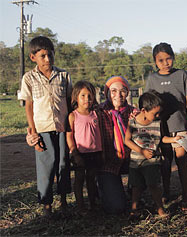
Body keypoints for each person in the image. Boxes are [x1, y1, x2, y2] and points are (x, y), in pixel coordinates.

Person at [20, 36, 72, 217]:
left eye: (50, 55)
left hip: (63, 128)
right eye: (43, 56)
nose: (47, 60)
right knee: (46, 167)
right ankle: (47, 205)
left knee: (63, 165)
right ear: (33, 57)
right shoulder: (29, 78)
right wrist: (33, 133)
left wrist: (71, 130)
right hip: (43, 130)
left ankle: (64, 201)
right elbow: (29, 106)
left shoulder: (63, 76)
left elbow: (69, 101)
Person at [145, 42, 187, 210]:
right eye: (161, 60)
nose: (165, 63)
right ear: (155, 61)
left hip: (181, 123)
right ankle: (166, 192)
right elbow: (147, 102)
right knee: (165, 162)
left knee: (182, 160)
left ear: (173, 58)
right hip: (161, 128)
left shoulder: (182, 75)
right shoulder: (152, 79)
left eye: (168, 59)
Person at [125, 90, 177, 218]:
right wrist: (141, 151)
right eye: (155, 113)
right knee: (136, 187)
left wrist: (174, 139)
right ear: (143, 110)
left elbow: (162, 138)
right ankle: (134, 209)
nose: (158, 115)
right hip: (136, 161)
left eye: (159, 112)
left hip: (152, 161)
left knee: (154, 185)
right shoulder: (133, 122)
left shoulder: (157, 123)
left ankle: (160, 209)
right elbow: (127, 140)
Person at [95, 76, 136, 214]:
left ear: (128, 93)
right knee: (116, 207)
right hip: (108, 163)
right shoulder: (98, 112)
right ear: (106, 93)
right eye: (113, 90)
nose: (118, 95)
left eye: (122, 91)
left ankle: (135, 188)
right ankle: (104, 188)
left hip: (130, 160)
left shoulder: (134, 113)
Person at [66, 81, 102, 213]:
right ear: (76, 97)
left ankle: (93, 204)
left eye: (90, 96)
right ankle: (80, 206)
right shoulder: (73, 116)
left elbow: (100, 133)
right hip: (80, 154)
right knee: (79, 179)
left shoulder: (96, 114)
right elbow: (69, 136)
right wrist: (74, 153)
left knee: (91, 179)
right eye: (83, 96)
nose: (87, 99)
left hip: (95, 152)